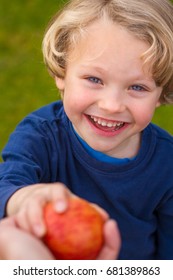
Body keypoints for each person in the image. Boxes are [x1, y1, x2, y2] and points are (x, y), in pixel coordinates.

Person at [0, 0, 173, 260]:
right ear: (62, 72)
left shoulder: (167, 163)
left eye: (137, 87)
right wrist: (24, 198)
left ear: (161, 94)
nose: (112, 105)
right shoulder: (40, 136)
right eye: (94, 79)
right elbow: (7, 185)